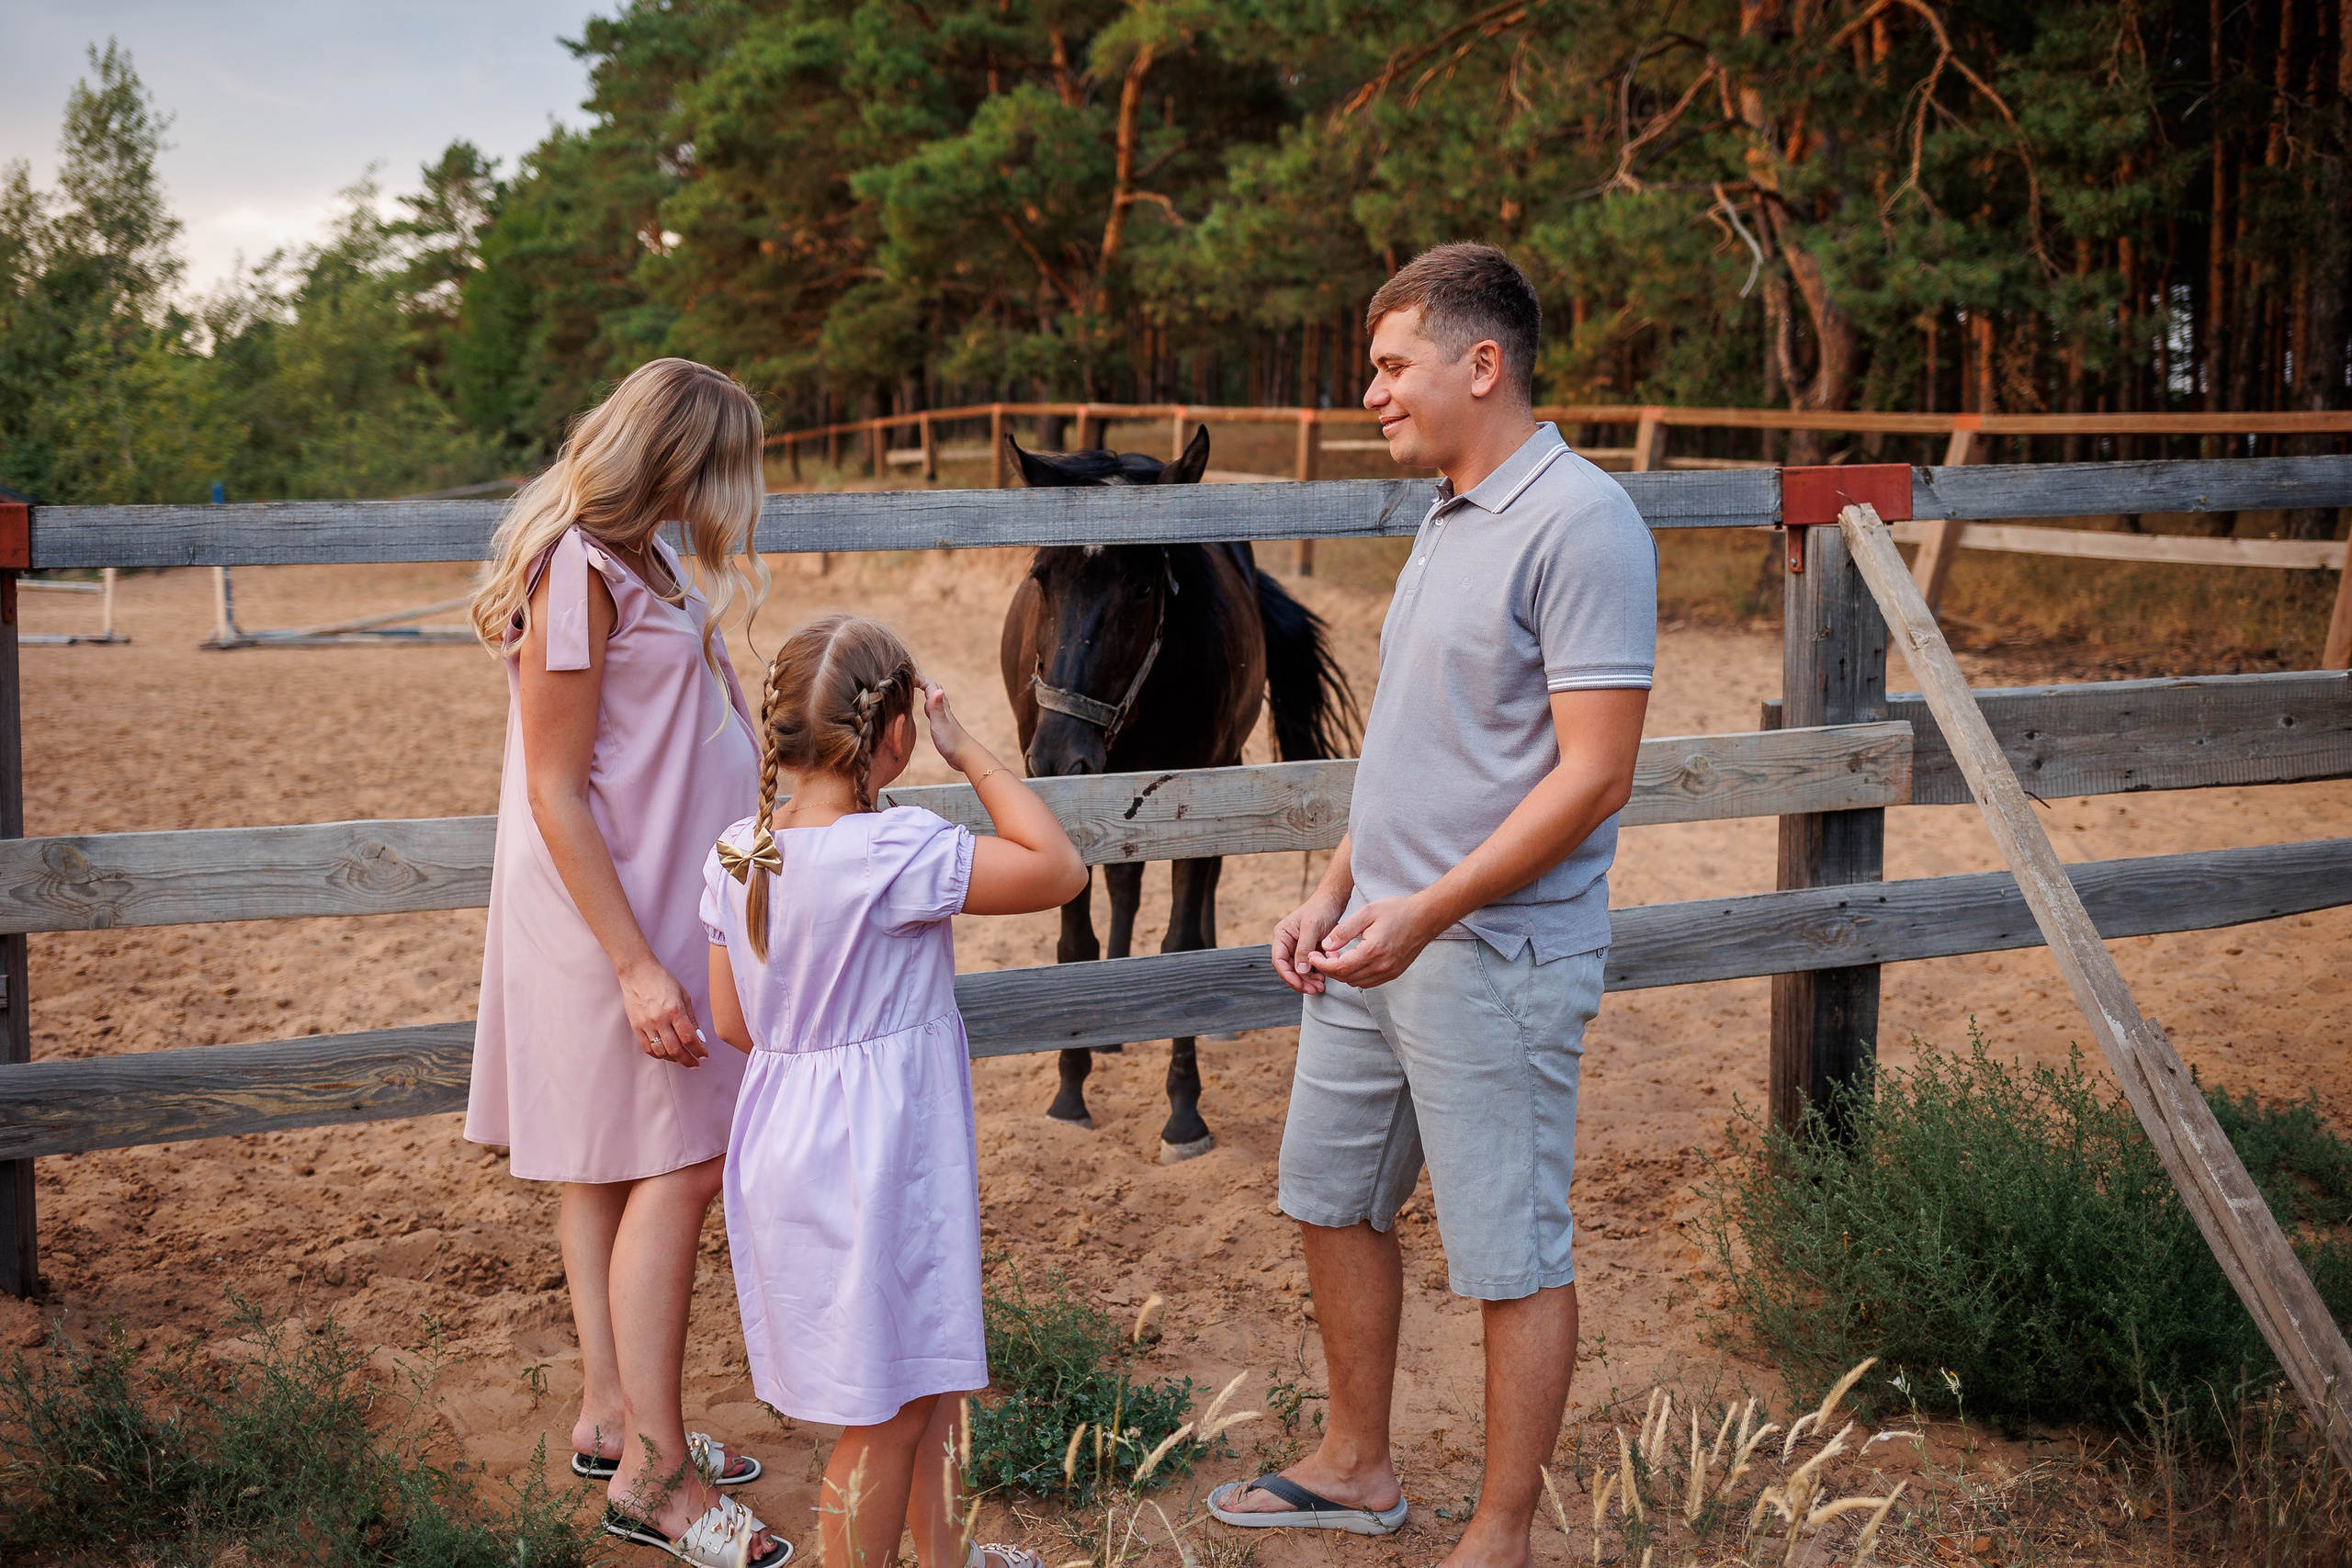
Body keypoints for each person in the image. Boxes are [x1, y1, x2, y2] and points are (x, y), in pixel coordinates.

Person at [1207, 244, 1657, 1568]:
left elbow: (1596, 773)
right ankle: (1357, 1465)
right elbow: (1417, 745)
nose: (1372, 394)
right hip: (1377, 941)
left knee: (1510, 1253)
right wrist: (1334, 891)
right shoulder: (1446, 517)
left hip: (1493, 952)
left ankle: (1500, 1535)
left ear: (1483, 362)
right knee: (1328, 1195)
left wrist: (1429, 913)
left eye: (1392, 366)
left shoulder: (1582, 522)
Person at [465, 358, 785, 1563]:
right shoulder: (575, 575)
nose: (738, 492)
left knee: (607, 1160)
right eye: (730, 466)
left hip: (667, 889)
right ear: (675, 459)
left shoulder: (646, 557)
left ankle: (612, 1413)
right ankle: (657, 1472)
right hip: (612, 911)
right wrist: (637, 965)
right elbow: (554, 786)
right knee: (685, 1161)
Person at [702, 615, 1087, 1568]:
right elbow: (1059, 868)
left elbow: (734, 1023)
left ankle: (949, 1561)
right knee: (884, 1414)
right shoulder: (895, 851)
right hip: (880, 1159)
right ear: (899, 731)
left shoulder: (739, 851)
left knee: (926, 1372)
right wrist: (973, 753)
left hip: (786, 1148)